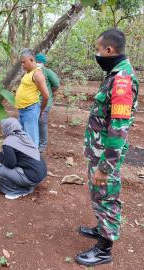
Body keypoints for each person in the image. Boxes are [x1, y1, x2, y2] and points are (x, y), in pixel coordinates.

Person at [75, 28, 139, 267]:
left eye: (98, 49)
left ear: (109, 50)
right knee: (100, 194)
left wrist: (106, 165)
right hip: (99, 149)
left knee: (107, 196)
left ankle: (104, 248)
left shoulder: (121, 79)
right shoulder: (115, 73)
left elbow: (119, 127)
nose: (97, 54)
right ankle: (102, 228)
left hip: (106, 154)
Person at [0, 118, 47, 200]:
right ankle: (28, 186)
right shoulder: (24, 136)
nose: (3, 130)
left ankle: (18, 191)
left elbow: (11, 164)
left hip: (32, 176)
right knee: (3, 168)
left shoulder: (9, 142)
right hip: (41, 173)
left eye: (3, 128)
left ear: (7, 128)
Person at [15, 48, 49, 147]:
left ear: (31, 59)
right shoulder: (28, 72)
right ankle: (24, 158)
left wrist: (41, 110)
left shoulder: (37, 74)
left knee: (31, 139)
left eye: (23, 62)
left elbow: (46, 96)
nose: (22, 65)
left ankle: (33, 160)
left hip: (30, 110)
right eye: (21, 62)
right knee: (21, 136)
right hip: (22, 110)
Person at [35, 53, 60, 153]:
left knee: (41, 122)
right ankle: (36, 142)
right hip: (35, 101)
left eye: (40, 62)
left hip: (46, 102)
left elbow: (56, 85)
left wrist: (49, 93)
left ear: (44, 63)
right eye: (37, 61)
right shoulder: (34, 72)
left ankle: (43, 145)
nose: (39, 63)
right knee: (35, 122)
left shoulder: (48, 72)